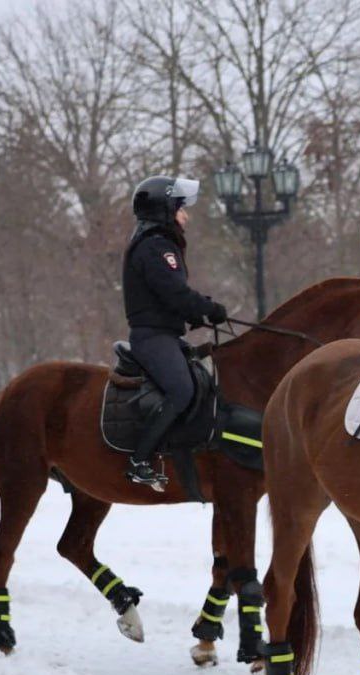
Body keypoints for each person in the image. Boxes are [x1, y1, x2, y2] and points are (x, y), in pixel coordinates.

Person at [121, 175, 228, 488]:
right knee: (182, 390)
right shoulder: (156, 246)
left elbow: (167, 296)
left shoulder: (156, 243)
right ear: (165, 209)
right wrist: (208, 308)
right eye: (181, 208)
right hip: (152, 337)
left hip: (164, 333)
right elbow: (174, 292)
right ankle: (140, 459)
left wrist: (195, 313)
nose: (185, 215)